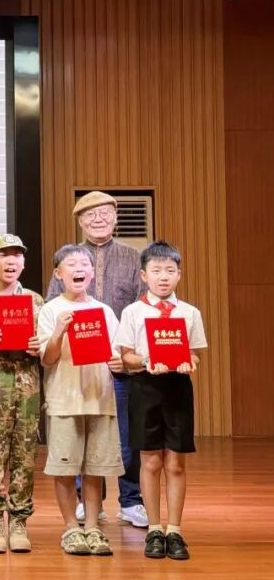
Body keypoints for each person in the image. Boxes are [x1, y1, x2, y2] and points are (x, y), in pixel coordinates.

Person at [46, 191, 146, 528]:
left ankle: (131, 500)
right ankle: (89, 503)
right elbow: (51, 303)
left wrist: (129, 356)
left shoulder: (133, 257)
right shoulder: (69, 258)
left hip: (119, 361)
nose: (98, 219)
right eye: (90, 215)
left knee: (125, 434)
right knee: (82, 432)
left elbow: (141, 310)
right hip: (76, 363)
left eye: (104, 213)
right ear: (80, 221)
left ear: (115, 217)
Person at [116, 241, 207, 561]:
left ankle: (175, 530)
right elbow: (126, 356)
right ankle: (154, 528)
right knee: (150, 461)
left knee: (176, 463)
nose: (163, 276)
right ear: (144, 275)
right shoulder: (133, 312)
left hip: (178, 388)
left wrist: (189, 362)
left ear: (179, 274)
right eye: (156, 270)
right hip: (145, 387)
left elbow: (195, 353)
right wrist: (145, 360)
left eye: (170, 270)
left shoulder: (190, 313)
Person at [38, 244, 124, 557]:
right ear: (58, 274)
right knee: (64, 468)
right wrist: (59, 331)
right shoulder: (50, 310)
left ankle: (92, 526)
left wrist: (119, 363)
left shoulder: (105, 311)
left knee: (94, 468)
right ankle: (71, 528)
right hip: (64, 400)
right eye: (72, 264)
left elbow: (116, 354)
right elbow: (47, 359)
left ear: (92, 273)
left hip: (99, 399)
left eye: (84, 264)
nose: (79, 268)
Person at [0, 234, 44, 553]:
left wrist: (39, 345)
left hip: (28, 379)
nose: (11, 260)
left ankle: (18, 519)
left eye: (17, 254)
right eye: (4, 254)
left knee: (25, 451)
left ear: (24, 262)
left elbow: (47, 344)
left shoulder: (35, 300)